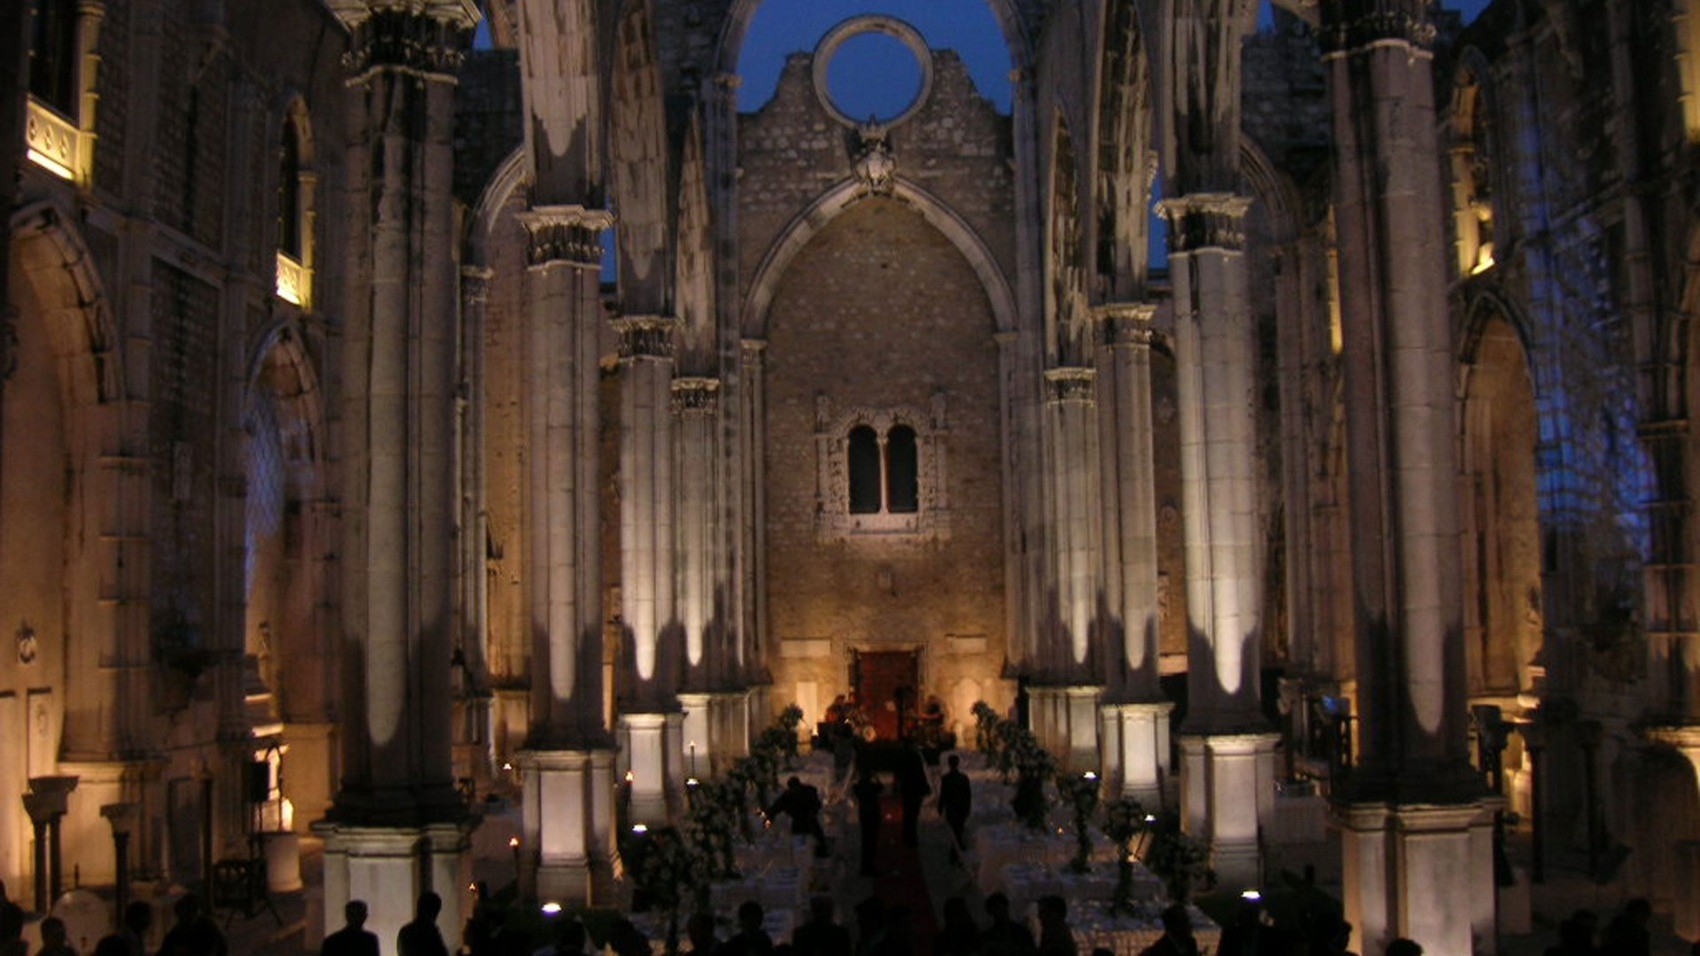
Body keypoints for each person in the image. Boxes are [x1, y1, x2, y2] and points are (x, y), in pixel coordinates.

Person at [767, 776, 828, 853]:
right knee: (801, 839)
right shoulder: (789, 795)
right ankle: (807, 852)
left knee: (811, 836)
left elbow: (817, 804)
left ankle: (818, 850)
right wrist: (769, 816)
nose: (795, 791)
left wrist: (812, 812)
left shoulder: (808, 792)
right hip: (801, 820)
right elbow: (776, 807)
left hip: (807, 818)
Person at [158, 894, 228, 956]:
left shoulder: (209, 929)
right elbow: (165, 951)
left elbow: (208, 952)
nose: (183, 919)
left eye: (187, 915)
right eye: (181, 916)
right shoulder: (179, 929)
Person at [895, 738, 932, 848]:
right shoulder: (915, 758)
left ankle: (907, 834)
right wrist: (924, 787)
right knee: (913, 813)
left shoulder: (902, 757)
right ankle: (910, 835)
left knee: (908, 812)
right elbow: (920, 773)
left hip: (907, 788)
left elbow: (899, 773)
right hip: (914, 789)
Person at [936, 754, 972, 863]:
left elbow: (943, 795)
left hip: (951, 809)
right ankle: (957, 853)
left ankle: (955, 854)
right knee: (958, 830)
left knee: (955, 831)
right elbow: (968, 795)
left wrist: (940, 807)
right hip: (961, 808)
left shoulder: (946, 779)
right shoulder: (964, 778)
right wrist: (968, 808)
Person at [853, 769, 886, 876]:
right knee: (871, 841)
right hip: (872, 813)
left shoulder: (858, 787)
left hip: (863, 814)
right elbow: (881, 788)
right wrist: (876, 777)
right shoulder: (872, 787)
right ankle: (869, 866)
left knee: (865, 840)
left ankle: (865, 865)